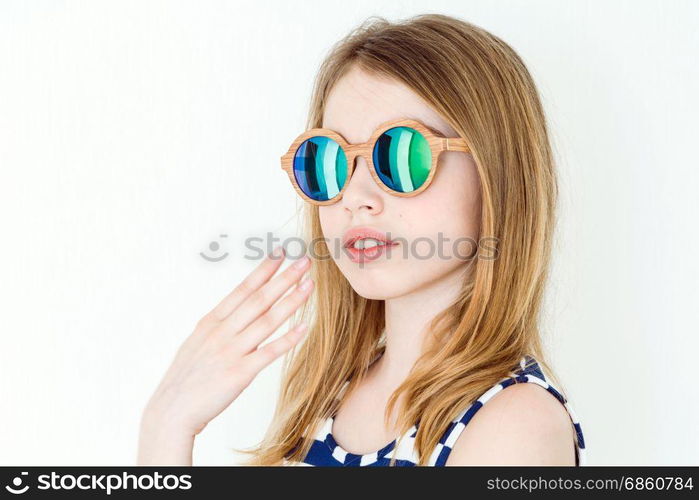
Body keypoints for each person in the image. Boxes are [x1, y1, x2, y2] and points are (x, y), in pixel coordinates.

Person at [137, 13, 586, 467]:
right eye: (329, 160)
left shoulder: (514, 425)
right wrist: (167, 425)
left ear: (497, 172)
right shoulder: (326, 392)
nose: (355, 197)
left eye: (401, 154)